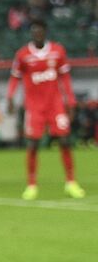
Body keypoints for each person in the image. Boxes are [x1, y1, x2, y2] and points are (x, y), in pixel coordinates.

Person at [7, 19, 84, 200]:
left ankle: (71, 182)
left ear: (45, 32)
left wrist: (70, 102)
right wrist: (10, 97)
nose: (37, 34)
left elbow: (65, 79)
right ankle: (32, 185)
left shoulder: (57, 51)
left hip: (55, 105)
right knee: (33, 144)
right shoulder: (23, 54)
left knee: (65, 140)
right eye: (34, 31)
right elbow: (14, 78)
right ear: (31, 33)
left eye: (40, 31)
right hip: (34, 107)